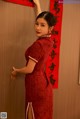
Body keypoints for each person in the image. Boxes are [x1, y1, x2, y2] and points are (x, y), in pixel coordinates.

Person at [11, 0, 56, 119]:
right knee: (42, 113)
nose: (38, 28)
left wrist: (16, 71)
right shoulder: (49, 41)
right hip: (44, 83)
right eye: (36, 24)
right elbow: (42, 22)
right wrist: (38, 6)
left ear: (50, 28)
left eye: (42, 25)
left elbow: (29, 69)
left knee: (33, 112)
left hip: (35, 84)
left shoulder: (38, 45)